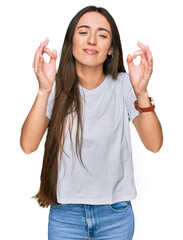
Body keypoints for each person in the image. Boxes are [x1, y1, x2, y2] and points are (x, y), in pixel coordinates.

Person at [20, 5, 163, 240]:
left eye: (103, 35)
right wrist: (44, 90)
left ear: (111, 50)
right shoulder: (54, 87)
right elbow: (28, 145)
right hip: (66, 216)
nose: (92, 40)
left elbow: (154, 144)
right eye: (84, 32)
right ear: (71, 42)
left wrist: (142, 92)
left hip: (115, 216)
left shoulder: (125, 85)